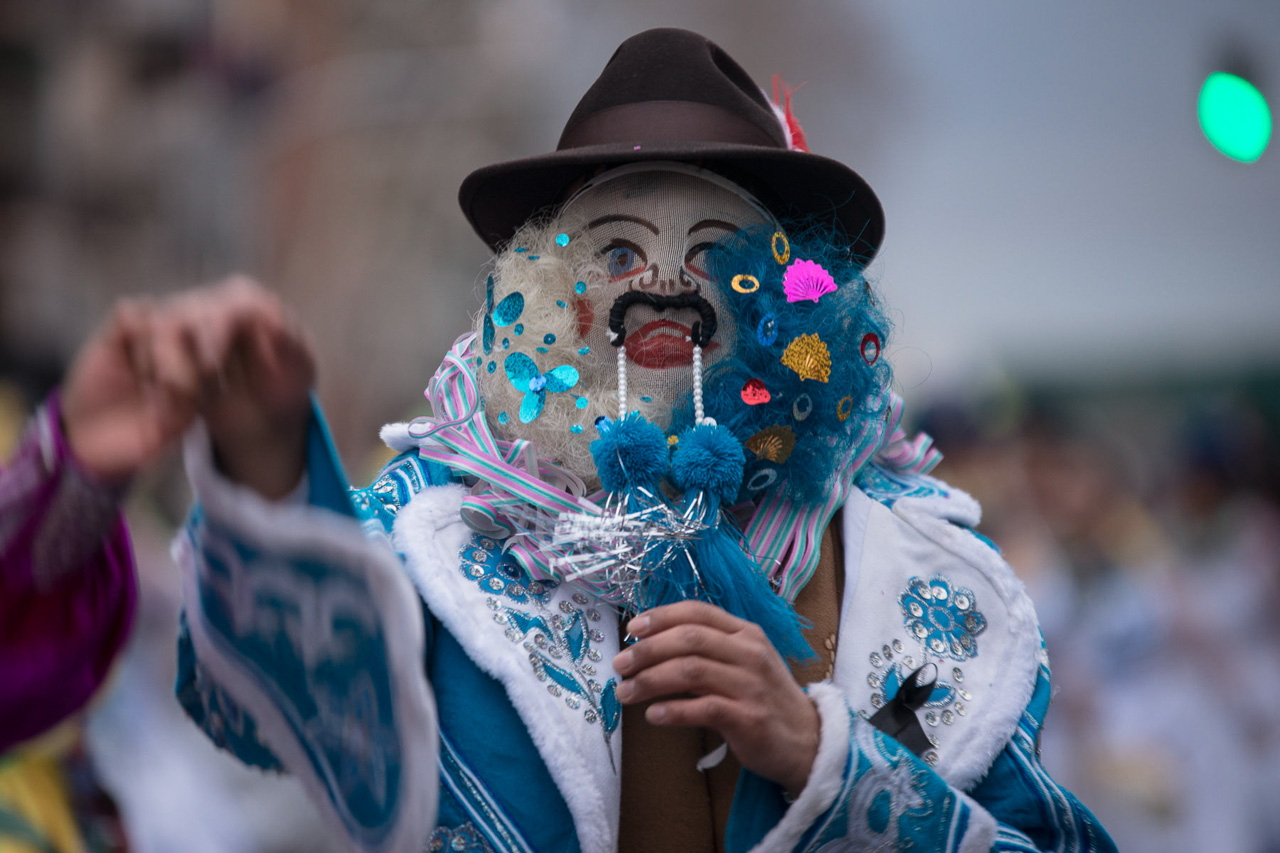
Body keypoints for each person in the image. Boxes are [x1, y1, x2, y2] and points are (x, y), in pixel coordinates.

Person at [168, 29, 1115, 852]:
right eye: (616, 252)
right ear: (545, 294)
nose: (663, 284)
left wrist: (816, 753)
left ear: (796, 306)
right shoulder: (437, 541)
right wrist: (266, 467)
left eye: (714, 254)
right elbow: (257, 711)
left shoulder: (914, 571)